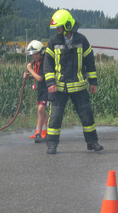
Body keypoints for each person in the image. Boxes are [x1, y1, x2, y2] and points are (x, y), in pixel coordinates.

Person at [43, 9, 103, 154]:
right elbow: (47, 64)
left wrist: (93, 81)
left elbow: (90, 62)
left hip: (79, 87)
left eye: (59, 27)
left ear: (68, 25)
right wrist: (51, 83)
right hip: (59, 88)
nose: (57, 30)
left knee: (87, 115)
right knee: (55, 117)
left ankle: (92, 142)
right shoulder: (53, 41)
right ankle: (52, 145)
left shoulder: (82, 40)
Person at [23, 40, 49, 143]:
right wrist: (28, 77)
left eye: (36, 54)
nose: (34, 56)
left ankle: (39, 134)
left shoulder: (45, 62)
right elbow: (36, 76)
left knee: (40, 110)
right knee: (42, 112)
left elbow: (39, 78)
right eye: (33, 54)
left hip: (48, 88)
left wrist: (30, 69)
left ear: (41, 52)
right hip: (41, 89)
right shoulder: (37, 62)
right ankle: (45, 132)